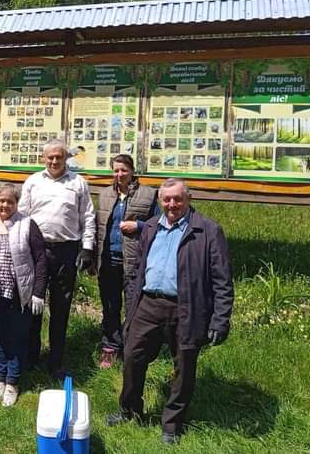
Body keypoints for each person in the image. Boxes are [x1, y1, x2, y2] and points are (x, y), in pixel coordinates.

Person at [106, 178, 234, 444]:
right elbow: (140, 268)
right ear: (160, 201)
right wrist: (133, 303)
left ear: (188, 199)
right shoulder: (151, 226)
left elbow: (223, 280)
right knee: (131, 357)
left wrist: (219, 320)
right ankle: (129, 410)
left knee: (184, 368)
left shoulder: (208, 230)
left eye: (177, 199)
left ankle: (172, 424)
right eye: (167, 199)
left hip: (187, 309)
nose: (172, 204)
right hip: (148, 305)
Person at [18, 139, 96, 380]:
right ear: (44, 158)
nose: (54, 161)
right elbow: (21, 215)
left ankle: (56, 361)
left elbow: (88, 217)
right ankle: (30, 356)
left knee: (60, 309)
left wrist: (87, 248)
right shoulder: (33, 181)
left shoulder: (78, 183)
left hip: (66, 251)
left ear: (65, 158)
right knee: (33, 305)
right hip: (36, 250)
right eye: (50, 157)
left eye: (59, 157)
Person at [0, 183, 47, 407]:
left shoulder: (27, 225)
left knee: (18, 337)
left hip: (18, 293)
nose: (5, 205)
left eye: (10, 201)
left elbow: (41, 260)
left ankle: (13, 382)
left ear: (17, 203)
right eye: (1, 200)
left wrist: (38, 293)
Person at [95, 154, 158, 369]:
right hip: (108, 260)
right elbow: (98, 227)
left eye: (123, 170)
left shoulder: (149, 195)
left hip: (135, 262)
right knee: (110, 306)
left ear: (132, 171)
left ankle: (132, 348)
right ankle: (110, 347)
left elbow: (159, 224)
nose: (119, 174)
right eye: (115, 170)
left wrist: (138, 227)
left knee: (134, 307)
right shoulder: (104, 195)